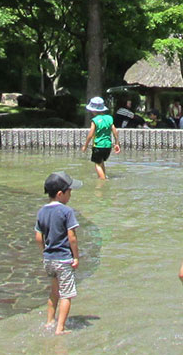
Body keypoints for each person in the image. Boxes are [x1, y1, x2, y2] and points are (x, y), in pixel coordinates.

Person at [35, 172, 83, 334]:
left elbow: (38, 237)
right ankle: (60, 328)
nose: (70, 195)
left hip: (49, 259)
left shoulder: (41, 211)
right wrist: (75, 257)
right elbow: (72, 237)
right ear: (60, 194)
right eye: (69, 192)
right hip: (63, 259)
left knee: (54, 291)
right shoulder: (66, 211)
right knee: (66, 295)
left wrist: (45, 253)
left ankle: (50, 322)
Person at [80, 97, 121, 180]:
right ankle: (103, 176)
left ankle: (103, 181)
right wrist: (117, 143)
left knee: (97, 164)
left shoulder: (95, 120)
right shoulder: (109, 118)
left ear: (93, 110)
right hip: (108, 146)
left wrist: (85, 145)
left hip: (98, 146)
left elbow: (90, 134)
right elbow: (115, 132)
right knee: (101, 162)